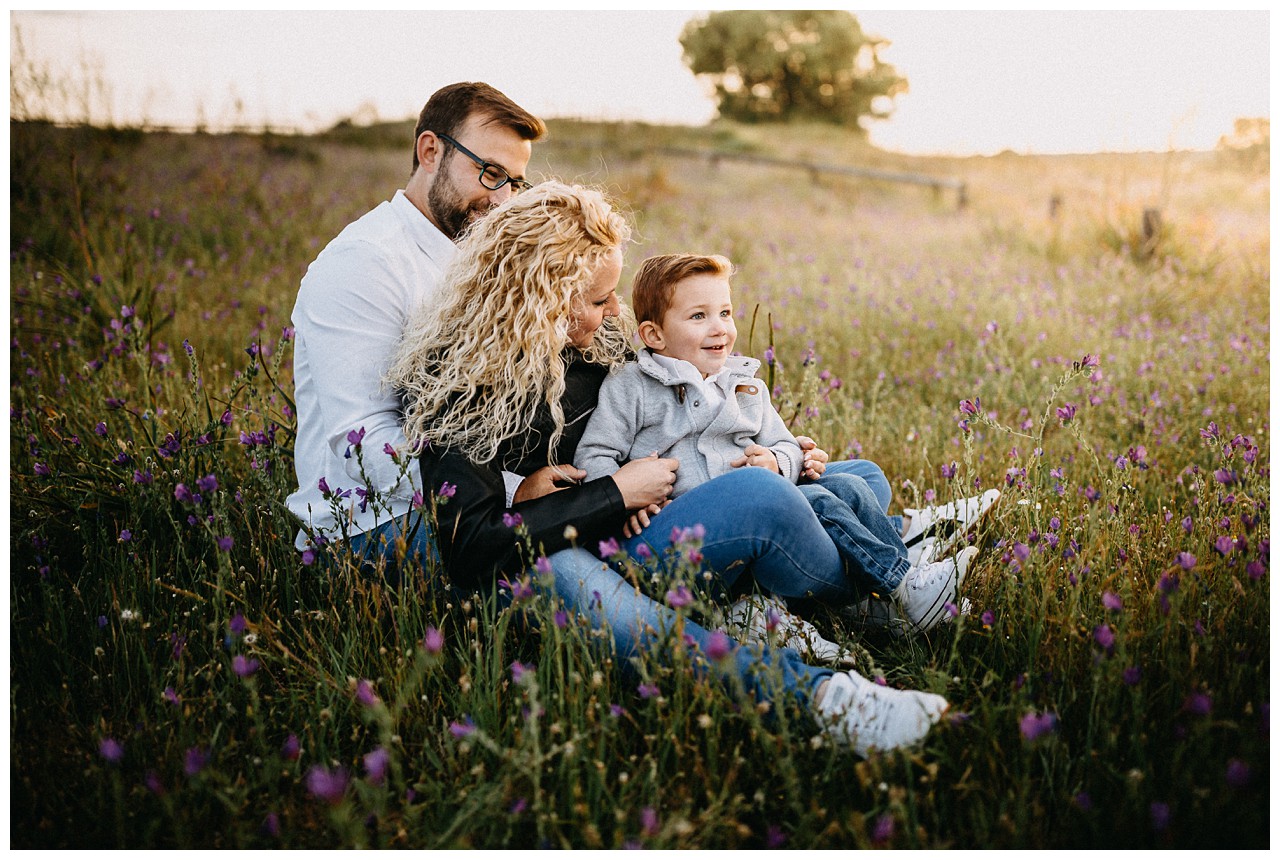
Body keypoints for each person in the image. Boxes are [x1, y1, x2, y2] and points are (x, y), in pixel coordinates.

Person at [385, 180, 951, 756]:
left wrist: (785, 451)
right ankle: (841, 676)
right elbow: (470, 545)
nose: (615, 316)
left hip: (653, 508)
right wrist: (615, 492)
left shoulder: (588, 343)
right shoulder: (458, 382)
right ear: (544, 297)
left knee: (854, 477)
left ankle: (864, 561)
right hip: (570, 552)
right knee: (761, 497)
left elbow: (662, 404)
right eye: (600, 299)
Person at [572, 253, 989, 640]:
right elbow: (594, 454)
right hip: (687, 523)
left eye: (725, 313)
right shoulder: (632, 385)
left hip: (757, 504)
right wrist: (623, 496)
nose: (719, 327)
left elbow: (786, 446)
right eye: (699, 316)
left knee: (858, 484)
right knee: (822, 503)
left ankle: (899, 577)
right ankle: (899, 584)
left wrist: (777, 460)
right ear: (654, 334)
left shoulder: (745, 384)